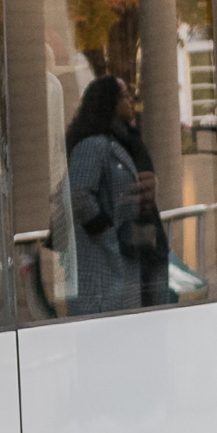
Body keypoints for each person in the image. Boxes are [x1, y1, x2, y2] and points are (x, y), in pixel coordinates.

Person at [63, 73, 157, 315]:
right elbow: (79, 196)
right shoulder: (92, 145)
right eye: (124, 95)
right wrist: (108, 235)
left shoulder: (118, 142)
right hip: (100, 267)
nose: (130, 100)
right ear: (109, 103)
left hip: (121, 261)